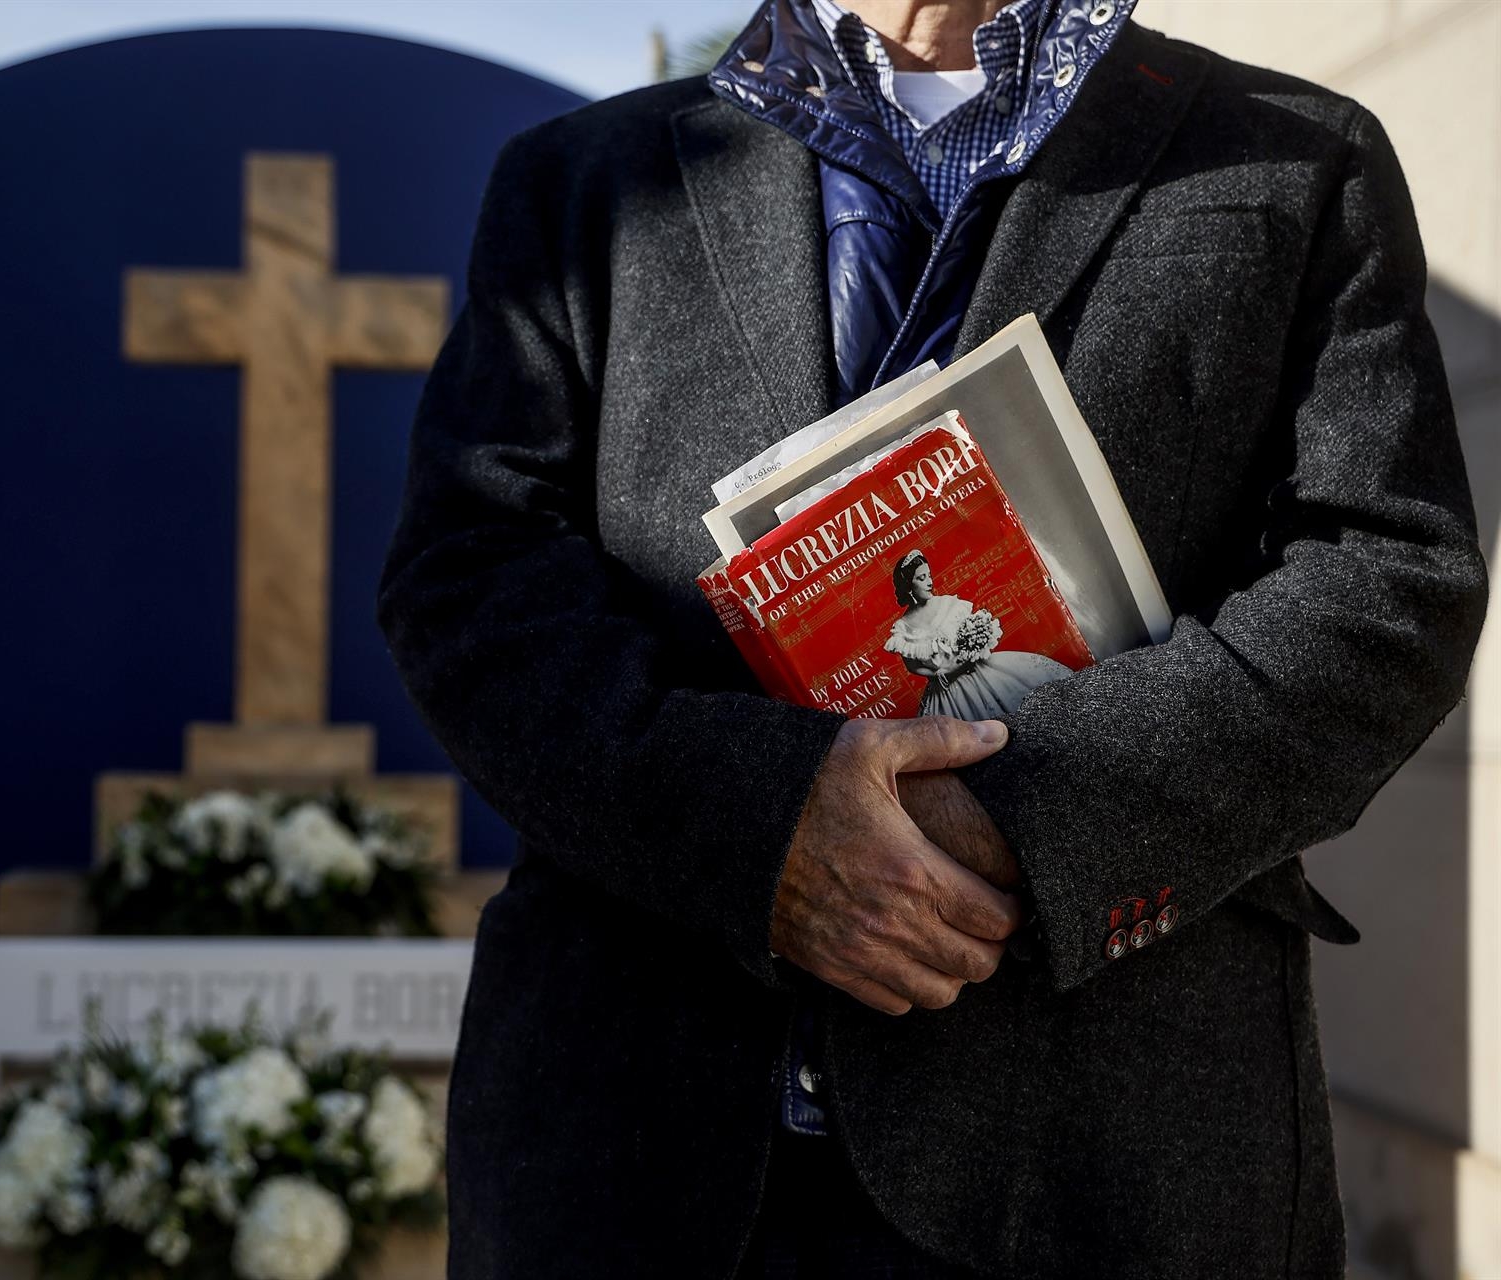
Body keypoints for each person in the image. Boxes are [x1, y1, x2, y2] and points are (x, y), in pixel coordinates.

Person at [375, 0, 1488, 1275]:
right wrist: (768, 826)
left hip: (1115, 1150)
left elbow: (1385, 581)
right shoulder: (578, 185)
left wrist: (1008, 812)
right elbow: (471, 580)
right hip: (647, 1144)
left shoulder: (1296, 154)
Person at [883, 549, 1073, 718]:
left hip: (979, 670)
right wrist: (940, 672)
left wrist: (976, 641)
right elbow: (913, 667)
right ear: (908, 585)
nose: (929, 582)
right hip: (948, 690)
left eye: (929, 576)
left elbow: (970, 631)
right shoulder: (903, 627)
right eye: (921, 578)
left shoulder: (948, 603)